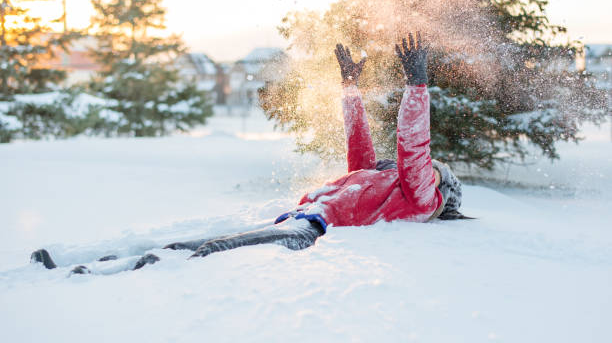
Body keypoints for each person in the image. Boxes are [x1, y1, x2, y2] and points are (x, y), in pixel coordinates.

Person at [31, 32, 469, 274]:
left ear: (438, 186)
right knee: (191, 246)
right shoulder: (380, 181)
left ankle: (99, 279)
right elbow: (360, 145)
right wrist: (350, 87)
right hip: (299, 220)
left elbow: (413, 149)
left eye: (433, 169)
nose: (421, 168)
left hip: (308, 232)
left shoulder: (419, 197)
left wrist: (417, 88)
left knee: (209, 253)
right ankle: (99, 267)